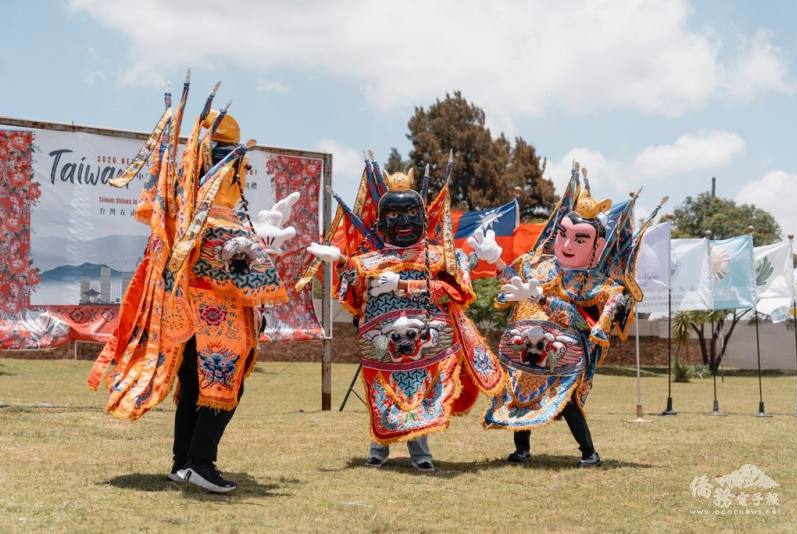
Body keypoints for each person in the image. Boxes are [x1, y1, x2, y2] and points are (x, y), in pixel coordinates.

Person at [88, 78, 298, 493]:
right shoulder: (213, 221)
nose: (244, 176)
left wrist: (261, 243)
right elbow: (245, 275)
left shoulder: (195, 217)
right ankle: (201, 463)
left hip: (190, 322)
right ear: (226, 171)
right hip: (214, 326)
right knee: (221, 389)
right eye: (241, 169)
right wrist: (262, 254)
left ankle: (182, 463)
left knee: (194, 390)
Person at [307, 164, 503, 471]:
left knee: (420, 396)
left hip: (425, 344)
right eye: (394, 216)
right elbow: (356, 300)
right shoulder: (369, 260)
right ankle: (379, 447)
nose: (403, 222)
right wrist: (342, 261)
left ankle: (420, 450)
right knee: (383, 395)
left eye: (411, 213)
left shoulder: (437, 256)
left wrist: (402, 285)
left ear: (423, 216)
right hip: (382, 345)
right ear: (381, 220)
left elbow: (453, 294)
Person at [477, 162, 658, 467]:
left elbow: (581, 319)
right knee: (521, 393)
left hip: (564, 352)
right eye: (563, 234)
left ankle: (589, 452)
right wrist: (496, 261)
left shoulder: (595, 283)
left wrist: (543, 300)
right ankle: (522, 449)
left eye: (580, 239)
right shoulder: (540, 264)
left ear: (598, 245)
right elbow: (515, 282)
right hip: (526, 346)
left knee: (569, 402)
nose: (567, 244)